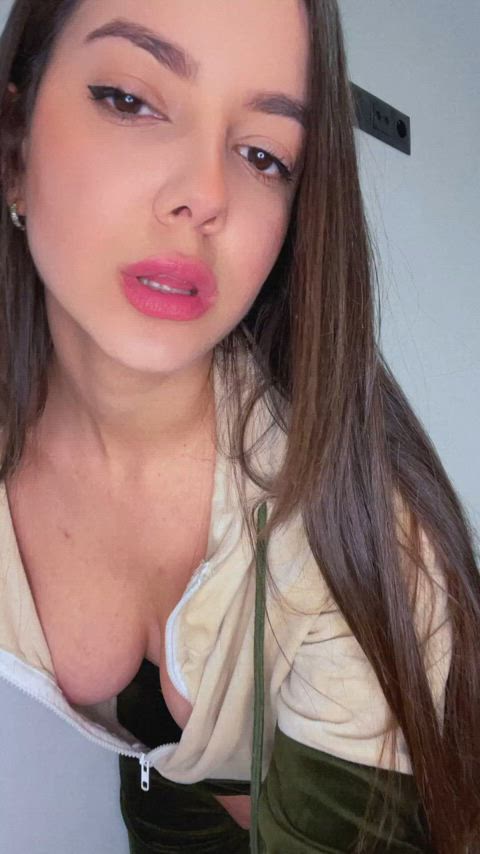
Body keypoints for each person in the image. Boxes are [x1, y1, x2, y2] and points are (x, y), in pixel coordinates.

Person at [0, 0, 478, 852]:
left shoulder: (362, 538)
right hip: (168, 795)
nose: (205, 196)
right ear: (14, 147)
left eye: (263, 155)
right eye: (131, 100)